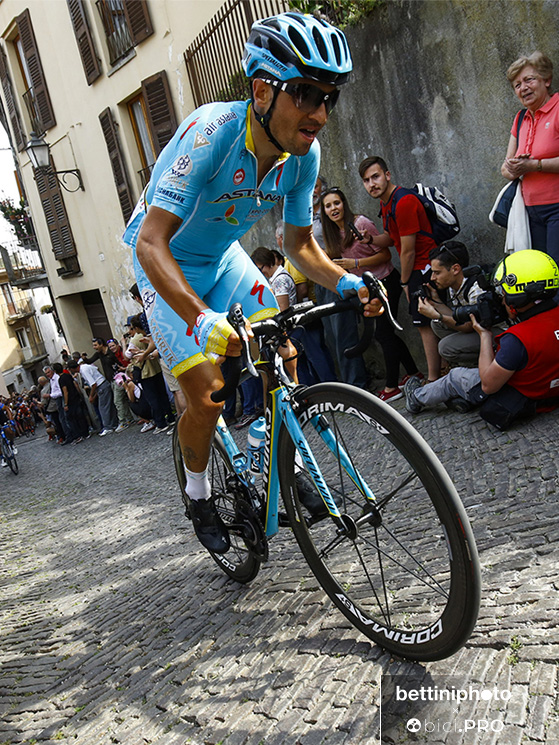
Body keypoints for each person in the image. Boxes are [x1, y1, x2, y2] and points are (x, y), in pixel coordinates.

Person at [122, 11, 380, 554]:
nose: (320, 114)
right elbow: (150, 243)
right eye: (306, 94)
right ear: (263, 89)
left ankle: (269, 449)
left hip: (221, 259)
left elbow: (299, 246)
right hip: (163, 263)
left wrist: (347, 284)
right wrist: (201, 319)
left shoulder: (301, 156)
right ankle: (197, 492)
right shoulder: (211, 133)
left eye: (328, 98)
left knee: (279, 347)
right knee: (210, 397)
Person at [404, 250, 559, 429]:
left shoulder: (517, 339)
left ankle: (416, 396)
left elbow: (487, 385)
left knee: (455, 377)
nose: (502, 301)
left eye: (503, 293)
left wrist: (484, 335)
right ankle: (463, 400)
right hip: (549, 392)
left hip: (525, 395)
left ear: (518, 295)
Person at [321, 186, 419, 400]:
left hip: (385, 281)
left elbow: (385, 254)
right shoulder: (332, 234)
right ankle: (414, 373)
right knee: (386, 333)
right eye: (328, 206)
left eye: (336, 203)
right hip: (367, 287)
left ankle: (391, 387)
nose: (333, 208)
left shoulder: (360, 223)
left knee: (383, 334)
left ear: (343, 204)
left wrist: (355, 263)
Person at [359, 156, 442, 382]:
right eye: (366, 180)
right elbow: (392, 238)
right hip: (415, 268)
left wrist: (405, 282)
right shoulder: (386, 203)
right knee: (429, 323)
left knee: (424, 326)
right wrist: (371, 240)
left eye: (375, 177)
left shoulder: (403, 201)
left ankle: (434, 380)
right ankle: (441, 373)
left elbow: (407, 251)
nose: (371, 184)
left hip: (424, 268)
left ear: (388, 175)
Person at [501, 52, 559, 269]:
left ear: (547, 80)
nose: (522, 88)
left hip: (557, 209)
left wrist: (535, 165)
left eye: (529, 80)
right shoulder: (520, 118)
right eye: (517, 85)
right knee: (540, 278)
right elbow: (505, 168)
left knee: (556, 275)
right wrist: (515, 166)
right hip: (529, 213)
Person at [416, 241, 503, 367]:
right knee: (437, 325)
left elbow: (468, 325)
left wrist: (438, 316)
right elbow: (459, 317)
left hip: (498, 332)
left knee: (445, 347)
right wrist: (436, 303)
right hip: (479, 328)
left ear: (455, 269)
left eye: (437, 272)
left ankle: (487, 363)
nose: (432, 278)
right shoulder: (454, 285)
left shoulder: (476, 289)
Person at [126, 315, 175, 434]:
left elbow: (127, 355)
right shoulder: (151, 333)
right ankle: (171, 417)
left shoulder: (135, 339)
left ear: (136, 327)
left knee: (153, 398)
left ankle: (160, 422)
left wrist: (125, 345)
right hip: (156, 368)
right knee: (162, 395)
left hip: (145, 372)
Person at [89, 338, 134, 432]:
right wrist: (83, 359)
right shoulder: (100, 354)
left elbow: (121, 363)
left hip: (119, 378)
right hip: (113, 380)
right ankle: (129, 419)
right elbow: (90, 360)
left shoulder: (113, 353)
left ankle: (123, 421)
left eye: (95, 345)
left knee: (117, 401)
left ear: (101, 344)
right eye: (110, 346)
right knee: (122, 400)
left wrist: (124, 369)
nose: (94, 347)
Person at [68, 359, 118, 435]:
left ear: (72, 369)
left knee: (103, 407)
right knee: (108, 406)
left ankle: (108, 427)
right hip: (103, 384)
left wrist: (91, 396)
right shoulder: (84, 367)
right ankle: (113, 423)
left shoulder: (84, 371)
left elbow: (93, 384)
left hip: (101, 386)